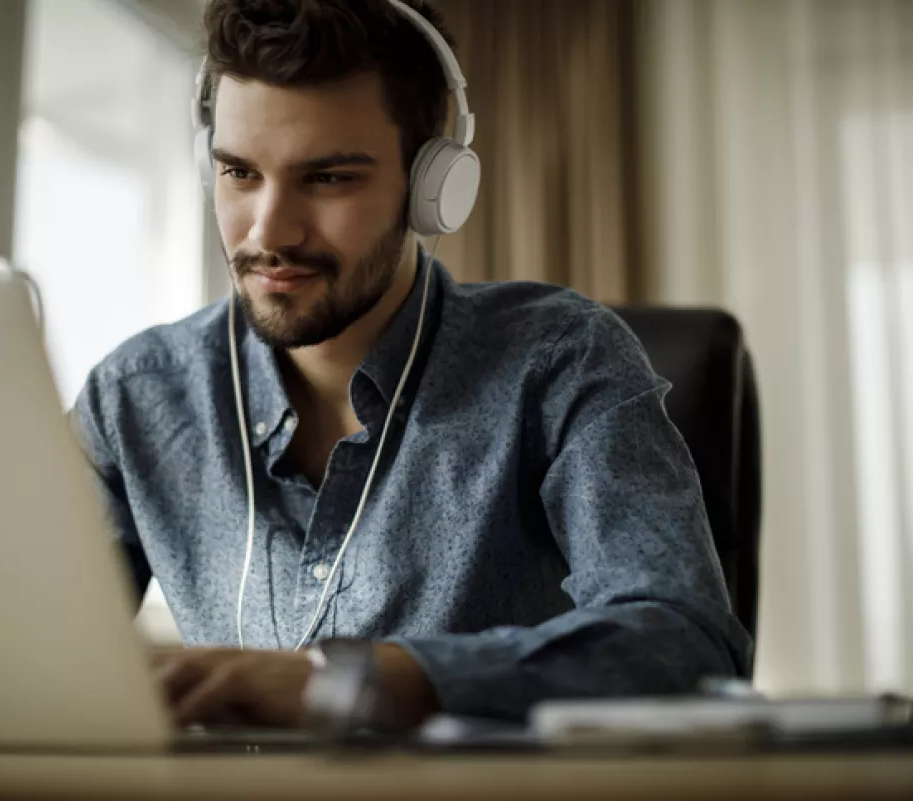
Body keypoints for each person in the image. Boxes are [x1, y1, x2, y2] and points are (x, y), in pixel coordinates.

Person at [70, 0, 751, 730]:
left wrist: (355, 682)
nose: (268, 231)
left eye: (328, 178)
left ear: (433, 187)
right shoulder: (133, 397)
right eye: (238, 171)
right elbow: (21, 653)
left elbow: (688, 640)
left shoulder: (560, 361)